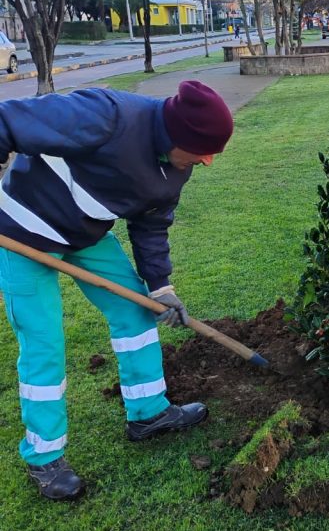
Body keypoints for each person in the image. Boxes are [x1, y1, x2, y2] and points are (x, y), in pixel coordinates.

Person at [0, 80, 234, 501]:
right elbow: (8, 121)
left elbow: (152, 223)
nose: (208, 161)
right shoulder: (106, 115)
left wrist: (161, 287)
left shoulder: (178, 166)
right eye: (203, 150)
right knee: (44, 344)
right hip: (21, 230)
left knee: (136, 309)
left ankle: (148, 413)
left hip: (83, 236)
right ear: (177, 134)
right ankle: (44, 457)